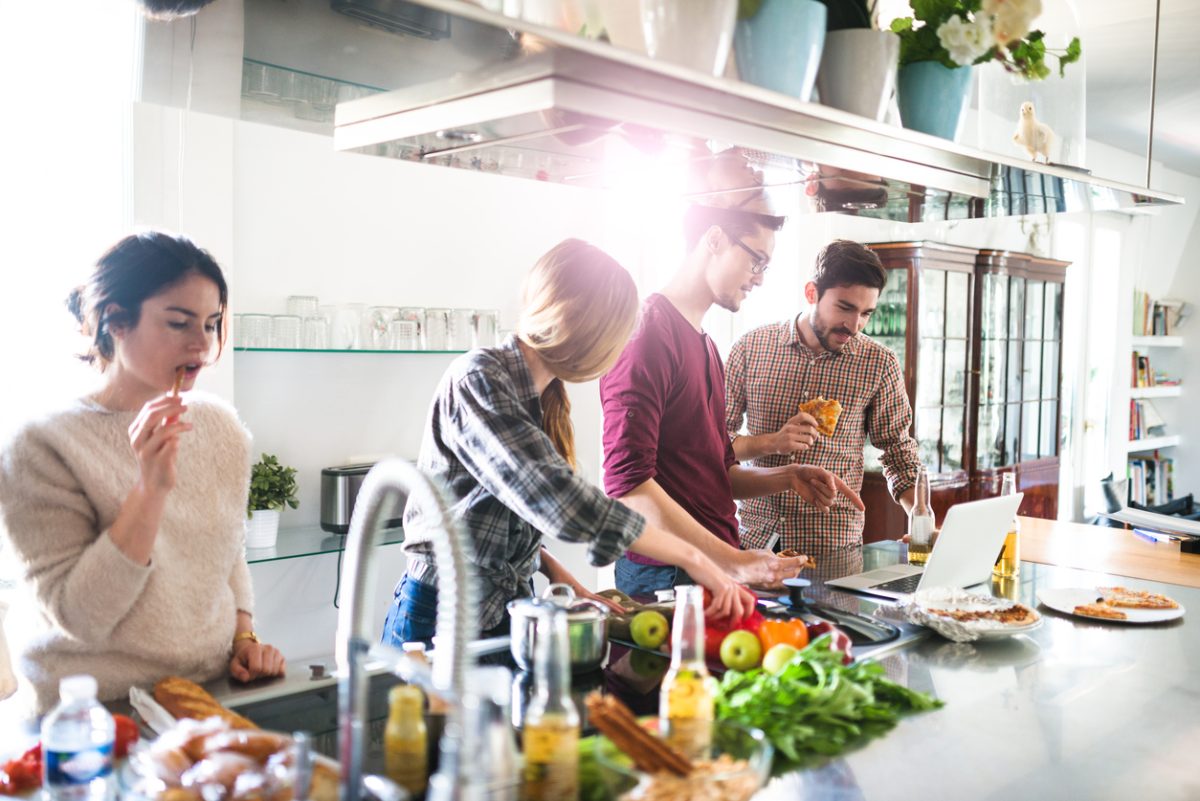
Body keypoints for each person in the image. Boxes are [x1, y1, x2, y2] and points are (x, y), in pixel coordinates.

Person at [383, 239, 759, 647]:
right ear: (583, 325)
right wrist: (695, 557)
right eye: (618, 336)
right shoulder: (479, 380)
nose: (619, 350)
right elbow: (557, 498)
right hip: (439, 615)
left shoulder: (538, 396)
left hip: (498, 609)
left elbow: (497, 517)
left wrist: (560, 576)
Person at [0, 231, 285, 717]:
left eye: (212, 323)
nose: (202, 343)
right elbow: (80, 618)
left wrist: (244, 637)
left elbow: (225, 552)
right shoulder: (40, 446)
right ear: (115, 320)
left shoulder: (220, 427)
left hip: (205, 693)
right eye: (178, 322)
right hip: (90, 713)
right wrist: (148, 491)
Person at [600, 154, 864, 597]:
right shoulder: (646, 335)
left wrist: (787, 475)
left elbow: (714, 473)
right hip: (668, 573)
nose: (759, 278)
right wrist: (734, 561)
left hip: (711, 565)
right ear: (715, 239)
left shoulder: (705, 342)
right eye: (756, 260)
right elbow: (629, 489)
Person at [725, 239, 922, 555]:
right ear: (811, 293)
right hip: (755, 543)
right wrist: (772, 442)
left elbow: (898, 451)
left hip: (834, 548)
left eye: (866, 313)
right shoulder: (750, 349)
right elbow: (715, 444)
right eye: (845, 308)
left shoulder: (879, 363)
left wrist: (921, 515)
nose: (854, 326)